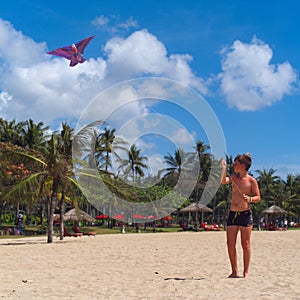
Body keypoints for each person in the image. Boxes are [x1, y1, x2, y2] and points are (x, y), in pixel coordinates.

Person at [220, 153, 260, 278]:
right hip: (233, 214)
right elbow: (223, 181)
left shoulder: (251, 180)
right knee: (230, 243)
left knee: (245, 243)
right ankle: (234, 270)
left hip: (246, 214)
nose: (234, 165)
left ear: (243, 166)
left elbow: (258, 197)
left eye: (236, 163)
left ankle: (246, 272)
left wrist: (249, 199)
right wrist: (223, 169)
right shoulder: (233, 177)